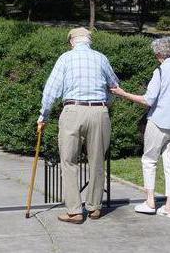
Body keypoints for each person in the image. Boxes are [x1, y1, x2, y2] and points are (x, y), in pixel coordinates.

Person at [111, 37, 170, 219]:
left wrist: (123, 94)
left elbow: (147, 100)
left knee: (149, 160)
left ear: (160, 54)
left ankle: (150, 202)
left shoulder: (160, 71)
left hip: (158, 123)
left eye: (156, 54)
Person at [37, 27, 119, 224]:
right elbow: (114, 86)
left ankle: (75, 211)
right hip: (99, 112)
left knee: (68, 161)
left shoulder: (65, 58)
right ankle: (95, 207)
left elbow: (51, 91)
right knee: (97, 161)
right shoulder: (101, 58)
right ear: (89, 41)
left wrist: (44, 115)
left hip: (72, 111)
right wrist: (105, 103)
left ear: (71, 42)